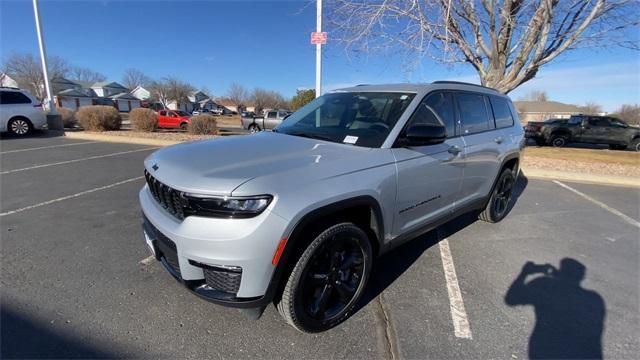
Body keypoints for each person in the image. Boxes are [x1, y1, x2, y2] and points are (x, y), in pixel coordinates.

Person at [505, 258, 605, 359]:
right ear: (581, 277)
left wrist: (525, 272)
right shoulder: (594, 299)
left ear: (561, 271)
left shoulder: (545, 286)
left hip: (546, 351)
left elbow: (511, 299)